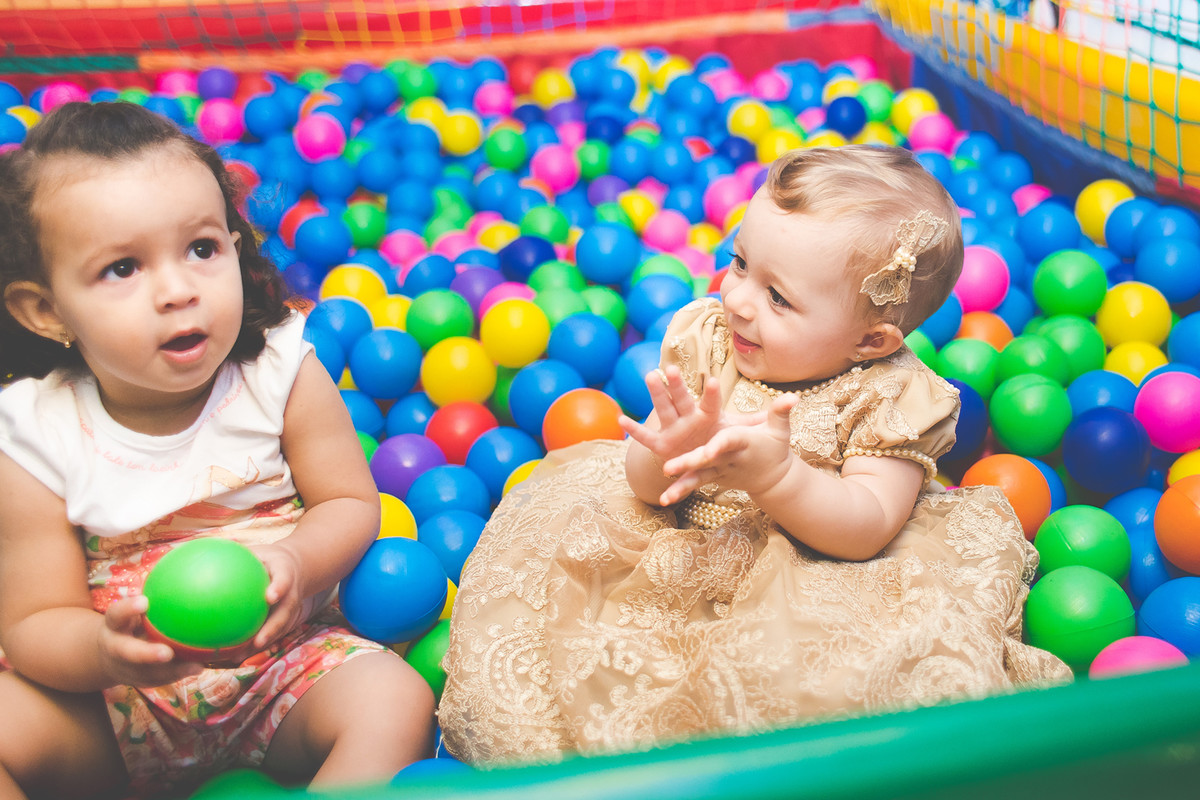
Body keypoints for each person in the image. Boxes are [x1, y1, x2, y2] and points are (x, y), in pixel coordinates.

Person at [438, 145, 1071, 763]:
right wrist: (668, 453)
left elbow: (868, 528)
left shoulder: (888, 396)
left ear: (870, 341)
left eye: (779, 297)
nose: (738, 299)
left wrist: (780, 477)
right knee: (565, 624)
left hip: (819, 578)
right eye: (740, 263)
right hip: (678, 544)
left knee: (849, 676)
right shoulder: (711, 345)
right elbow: (645, 487)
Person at [0, 102, 434, 800]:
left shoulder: (280, 371)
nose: (179, 291)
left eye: (202, 249)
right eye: (122, 268)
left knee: (397, 700)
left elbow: (350, 502)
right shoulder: (34, 433)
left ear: (235, 246)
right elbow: (33, 623)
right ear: (47, 311)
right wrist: (105, 651)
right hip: (113, 703)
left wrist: (299, 562)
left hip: (283, 667)